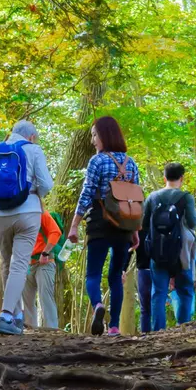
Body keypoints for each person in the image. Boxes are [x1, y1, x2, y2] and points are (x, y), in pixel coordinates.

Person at [0, 120, 54, 335]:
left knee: (7, 265)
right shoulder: (34, 150)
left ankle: (17, 317)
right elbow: (46, 184)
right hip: (28, 213)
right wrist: (33, 192)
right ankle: (6, 315)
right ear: (32, 137)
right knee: (19, 265)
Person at [66, 115, 142, 336]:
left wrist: (74, 226)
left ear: (104, 136)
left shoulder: (97, 161)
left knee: (93, 274)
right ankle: (115, 327)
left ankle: (98, 305)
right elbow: (135, 199)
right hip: (124, 224)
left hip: (99, 221)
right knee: (116, 275)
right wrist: (136, 229)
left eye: (94, 135)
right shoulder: (131, 163)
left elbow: (87, 194)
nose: (93, 141)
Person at [141, 162, 196, 332]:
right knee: (185, 291)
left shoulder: (152, 197)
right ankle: (183, 329)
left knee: (159, 293)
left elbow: (144, 224)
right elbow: (192, 223)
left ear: (164, 178)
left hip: (158, 250)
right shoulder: (186, 197)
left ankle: (157, 331)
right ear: (182, 178)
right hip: (181, 252)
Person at [23, 211, 64, 329]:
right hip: (26, 263)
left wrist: (45, 252)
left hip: (45, 261)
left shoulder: (42, 214)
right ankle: (30, 328)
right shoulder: (18, 216)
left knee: (45, 296)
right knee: (27, 299)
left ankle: (51, 329)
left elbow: (55, 232)